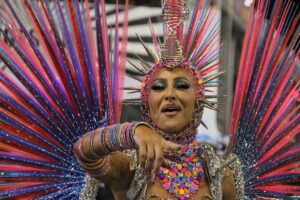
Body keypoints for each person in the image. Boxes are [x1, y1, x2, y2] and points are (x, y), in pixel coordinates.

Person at [74, 64, 238, 200]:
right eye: (159, 87)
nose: (170, 94)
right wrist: (132, 132)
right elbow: (84, 151)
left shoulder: (220, 175)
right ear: (146, 103)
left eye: (181, 85)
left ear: (198, 100)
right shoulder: (132, 168)